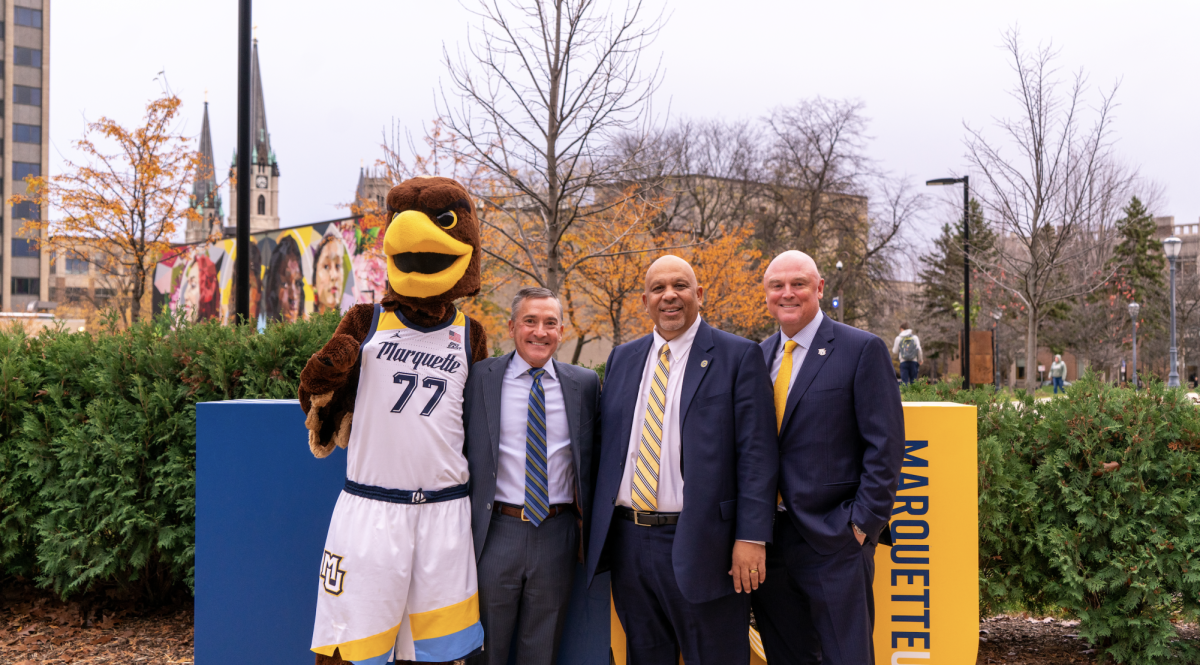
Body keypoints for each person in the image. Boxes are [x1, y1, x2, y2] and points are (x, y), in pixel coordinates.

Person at [586, 255, 778, 665]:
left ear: (700, 295)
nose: (669, 296)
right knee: (645, 655)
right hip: (629, 543)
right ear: (645, 300)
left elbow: (757, 455)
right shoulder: (623, 359)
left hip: (707, 544)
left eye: (680, 286)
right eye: (658, 288)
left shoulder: (738, 356)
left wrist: (752, 537)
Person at [752, 250, 903, 665]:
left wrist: (860, 526)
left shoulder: (861, 349)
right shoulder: (756, 358)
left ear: (819, 288)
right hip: (769, 544)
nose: (787, 293)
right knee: (788, 656)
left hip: (835, 540)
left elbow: (886, 445)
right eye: (776, 286)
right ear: (765, 295)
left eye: (798, 284)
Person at [462, 287, 601, 665]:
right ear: (511, 327)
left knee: (541, 651)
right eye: (530, 321)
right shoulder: (480, 379)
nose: (540, 332)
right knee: (484, 649)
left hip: (557, 534)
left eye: (550, 323)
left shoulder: (584, 384)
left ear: (562, 331)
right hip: (495, 533)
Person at [313, 233, 348, 315]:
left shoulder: (351, 324)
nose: (334, 276)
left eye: (338, 265)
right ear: (314, 281)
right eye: (326, 267)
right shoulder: (306, 325)